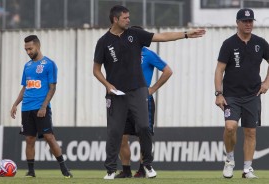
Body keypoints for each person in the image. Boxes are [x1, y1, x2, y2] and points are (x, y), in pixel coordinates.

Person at [93, 5, 205, 180]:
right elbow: (96, 70)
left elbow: (162, 37)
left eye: (129, 17)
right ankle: (110, 170)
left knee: (145, 127)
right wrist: (107, 85)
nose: (129, 20)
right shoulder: (103, 42)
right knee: (115, 132)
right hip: (116, 94)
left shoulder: (135, 35)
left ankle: (148, 165)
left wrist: (185, 34)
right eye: (125, 18)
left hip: (138, 90)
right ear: (115, 19)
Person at [214, 8, 269, 179]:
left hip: (252, 95)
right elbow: (219, 69)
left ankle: (247, 169)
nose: (248, 24)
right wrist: (218, 93)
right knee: (230, 127)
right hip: (231, 95)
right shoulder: (229, 44)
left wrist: (267, 82)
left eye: (251, 21)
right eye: (245, 21)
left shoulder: (260, 42)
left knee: (250, 132)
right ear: (237, 23)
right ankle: (229, 160)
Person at [10, 35, 73, 179]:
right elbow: (25, 88)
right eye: (26, 49)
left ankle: (64, 170)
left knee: (49, 137)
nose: (28, 52)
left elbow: (52, 88)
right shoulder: (27, 66)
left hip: (41, 107)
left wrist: (44, 106)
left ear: (37, 46)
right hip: (26, 108)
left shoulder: (49, 64)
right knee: (29, 140)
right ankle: (31, 171)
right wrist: (15, 104)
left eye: (30, 49)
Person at [114, 26, 173, 178]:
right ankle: (126, 170)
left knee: (143, 135)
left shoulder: (148, 54)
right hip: (123, 99)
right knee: (121, 136)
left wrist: (152, 89)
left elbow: (168, 71)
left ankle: (142, 169)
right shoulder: (123, 54)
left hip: (142, 99)